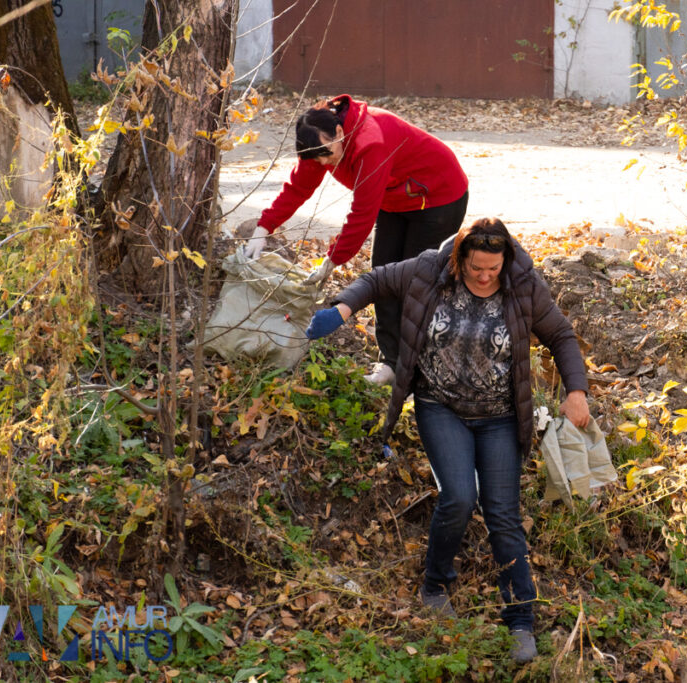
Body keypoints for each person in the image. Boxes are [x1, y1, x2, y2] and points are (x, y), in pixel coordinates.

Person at [304, 217, 591, 664]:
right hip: (440, 406)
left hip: (499, 416)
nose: (484, 276)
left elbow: (560, 334)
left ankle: (520, 619)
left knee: (503, 514)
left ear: (505, 261)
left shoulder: (522, 284)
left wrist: (576, 390)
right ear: (459, 257)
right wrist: (341, 308)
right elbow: (376, 280)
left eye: (492, 268)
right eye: (476, 267)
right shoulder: (428, 270)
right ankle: (436, 584)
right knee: (458, 496)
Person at [240, 94, 469, 385]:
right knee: (383, 276)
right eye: (317, 157)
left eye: (326, 153)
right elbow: (298, 188)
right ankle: (391, 363)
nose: (324, 161)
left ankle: (419, 372)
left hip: (438, 196)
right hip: (397, 198)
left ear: (339, 132)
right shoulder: (317, 141)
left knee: (414, 282)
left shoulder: (370, 142)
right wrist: (264, 227)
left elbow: (362, 215)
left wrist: (332, 260)